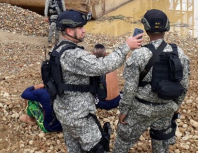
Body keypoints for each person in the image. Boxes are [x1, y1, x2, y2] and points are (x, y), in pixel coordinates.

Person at [52, 10, 143, 153]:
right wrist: (126, 46)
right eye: (80, 28)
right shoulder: (72, 55)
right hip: (79, 116)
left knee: (74, 149)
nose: (84, 31)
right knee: (99, 148)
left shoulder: (57, 49)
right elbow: (103, 66)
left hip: (64, 112)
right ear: (69, 30)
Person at [114, 9, 190, 153]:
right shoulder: (179, 53)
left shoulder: (140, 54)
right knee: (161, 143)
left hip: (140, 109)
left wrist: (124, 111)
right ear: (166, 27)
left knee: (123, 140)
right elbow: (185, 85)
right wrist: (175, 105)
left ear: (146, 29)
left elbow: (130, 88)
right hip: (166, 108)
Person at [92, 44, 122, 110]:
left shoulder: (93, 68)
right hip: (117, 100)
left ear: (92, 53)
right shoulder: (111, 65)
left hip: (103, 103)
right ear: (105, 54)